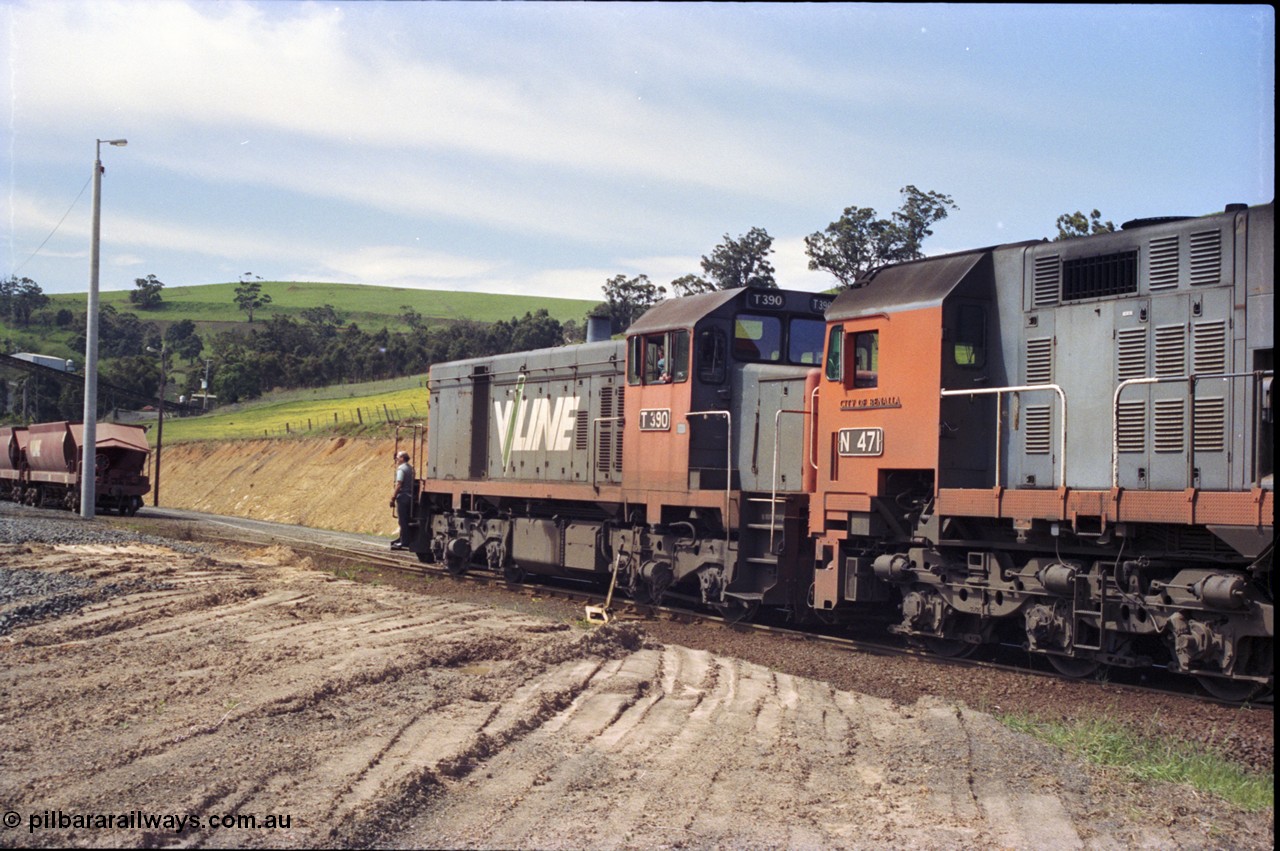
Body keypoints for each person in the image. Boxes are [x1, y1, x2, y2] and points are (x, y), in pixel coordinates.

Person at [389, 450, 415, 550]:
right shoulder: (410, 468)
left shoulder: (401, 469)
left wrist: (393, 498)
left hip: (403, 496)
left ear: (402, 458)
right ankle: (403, 539)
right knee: (406, 519)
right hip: (410, 496)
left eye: (398, 457)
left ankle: (404, 542)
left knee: (402, 520)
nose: (396, 459)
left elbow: (399, 484)